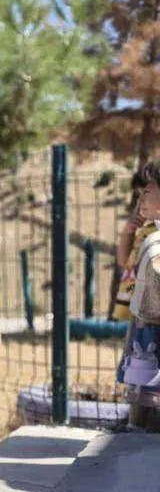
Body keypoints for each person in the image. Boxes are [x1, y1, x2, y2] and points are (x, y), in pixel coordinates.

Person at [117, 161, 160, 433]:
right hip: (146, 315)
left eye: (147, 192)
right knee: (142, 375)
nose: (140, 199)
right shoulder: (147, 232)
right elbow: (125, 263)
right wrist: (127, 232)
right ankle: (135, 430)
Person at [113, 172, 156, 321]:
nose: (140, 202)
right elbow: (125, 263)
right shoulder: (144, 232)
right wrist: (127, 232)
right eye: (139, 196)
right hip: (138, 316)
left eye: (147, 195)